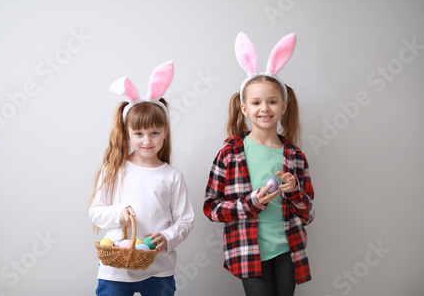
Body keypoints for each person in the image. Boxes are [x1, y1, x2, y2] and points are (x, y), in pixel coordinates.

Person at [203, 33, 314, 296]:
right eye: (256, 102)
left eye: (272, 101)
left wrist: (294, 189)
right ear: (244, 108)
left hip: (289, 247)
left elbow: (308, 214)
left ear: (284, 106)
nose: (265, 108)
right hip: (247, 249)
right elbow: (211, 207)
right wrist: (252, 202)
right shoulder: (229, 154)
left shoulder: (295, 156)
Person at [89, 61, 195, 296]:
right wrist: (120, 213)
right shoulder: (113, 169)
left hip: (159, 270)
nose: (147, 140)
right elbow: (95, 212)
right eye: (139, 133)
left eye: (154, 133)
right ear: (127, 132)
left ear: (165, 132)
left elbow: (185, 220)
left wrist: (167, 237)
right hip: (115, 269)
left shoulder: (172, 176)